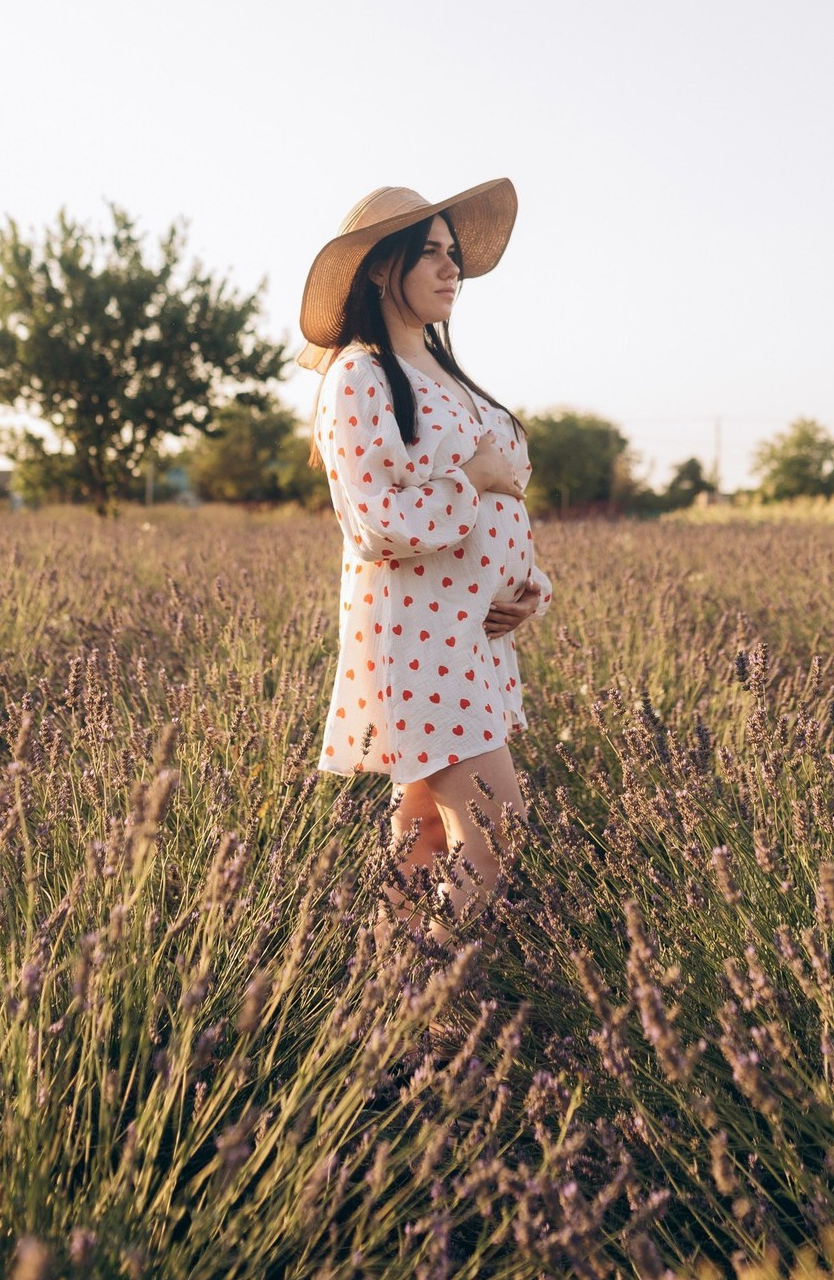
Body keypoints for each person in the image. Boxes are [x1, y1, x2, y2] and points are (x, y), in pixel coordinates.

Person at [298, 178, 552, 940]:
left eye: (454, 255)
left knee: (428, 833)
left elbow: (507, 504)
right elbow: (375, 523)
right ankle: (444, 1009)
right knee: (497, 827)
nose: (453, 270)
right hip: (415, 642)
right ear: (381, 269)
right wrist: (469, 479)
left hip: (472, 640)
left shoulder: (450, 378)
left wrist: (529, 585)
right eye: (430, 255)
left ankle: (388, 999)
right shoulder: (359, 378)